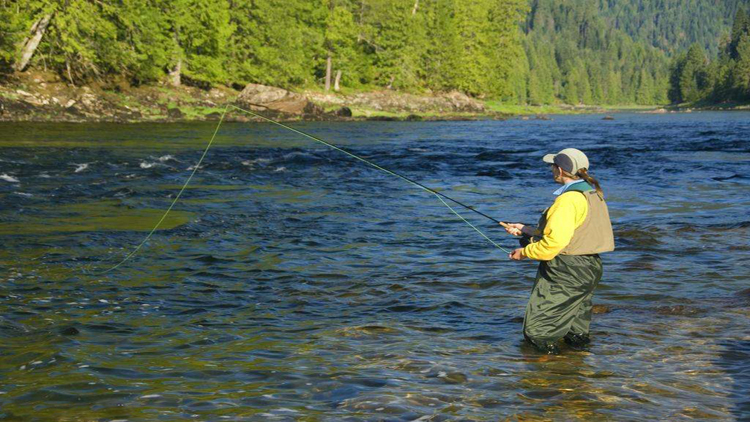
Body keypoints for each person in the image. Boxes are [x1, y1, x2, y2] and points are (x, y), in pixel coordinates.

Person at [503, 148, 615, 354]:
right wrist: (525, 230)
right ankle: (576, 372)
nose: (551, 170)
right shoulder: (592, 193)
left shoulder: (567, 200)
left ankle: (548, 378)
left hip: (566, 270)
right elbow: (575, 231)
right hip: (590, 268)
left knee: (539, 332)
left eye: (552, 166)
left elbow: (552, 246)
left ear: (561, 170)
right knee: (575, 329)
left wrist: (524, 252)